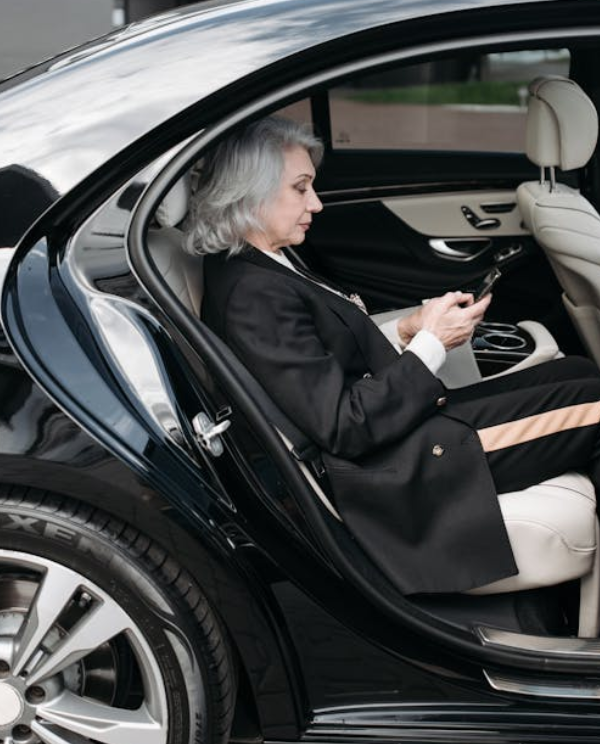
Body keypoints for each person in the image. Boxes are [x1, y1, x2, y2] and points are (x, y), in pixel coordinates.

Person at [189, 116, 600, 595]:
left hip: (404, 429)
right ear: (248, 193)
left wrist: (406, 330)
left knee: (580, 372)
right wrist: (432, 343)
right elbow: (343, 426)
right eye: (300, 189)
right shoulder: (253, 296)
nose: (316, 204)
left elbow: (325, 355)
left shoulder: (266, 260)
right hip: (394, 465)